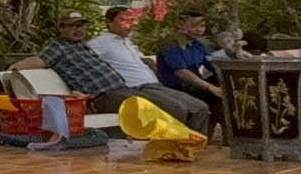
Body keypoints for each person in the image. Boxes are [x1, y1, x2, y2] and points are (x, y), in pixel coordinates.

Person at [20, 8, 215, 138]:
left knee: (197, 107)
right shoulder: (59, 47)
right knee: (174, 108)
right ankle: (178, 147)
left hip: (123, 88)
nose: (77, 30)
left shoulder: (83, 47)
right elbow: (39, 60)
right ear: (61, 28)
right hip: (105, 95)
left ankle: (195, 146)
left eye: (80, 25)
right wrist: (15, 67)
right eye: (72, 26)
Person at [154, 11, 226, 128]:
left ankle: (225, 136)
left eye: (202, 26)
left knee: (228, 97)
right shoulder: (170, 45)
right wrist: (210, 87)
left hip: (195, 87)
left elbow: (214, 63)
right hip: (176, 89)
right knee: (214, 100)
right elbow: (181, 72)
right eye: (194, 26)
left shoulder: (198, 45)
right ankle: (197, 135)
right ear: (180, 25)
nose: (200, 30)